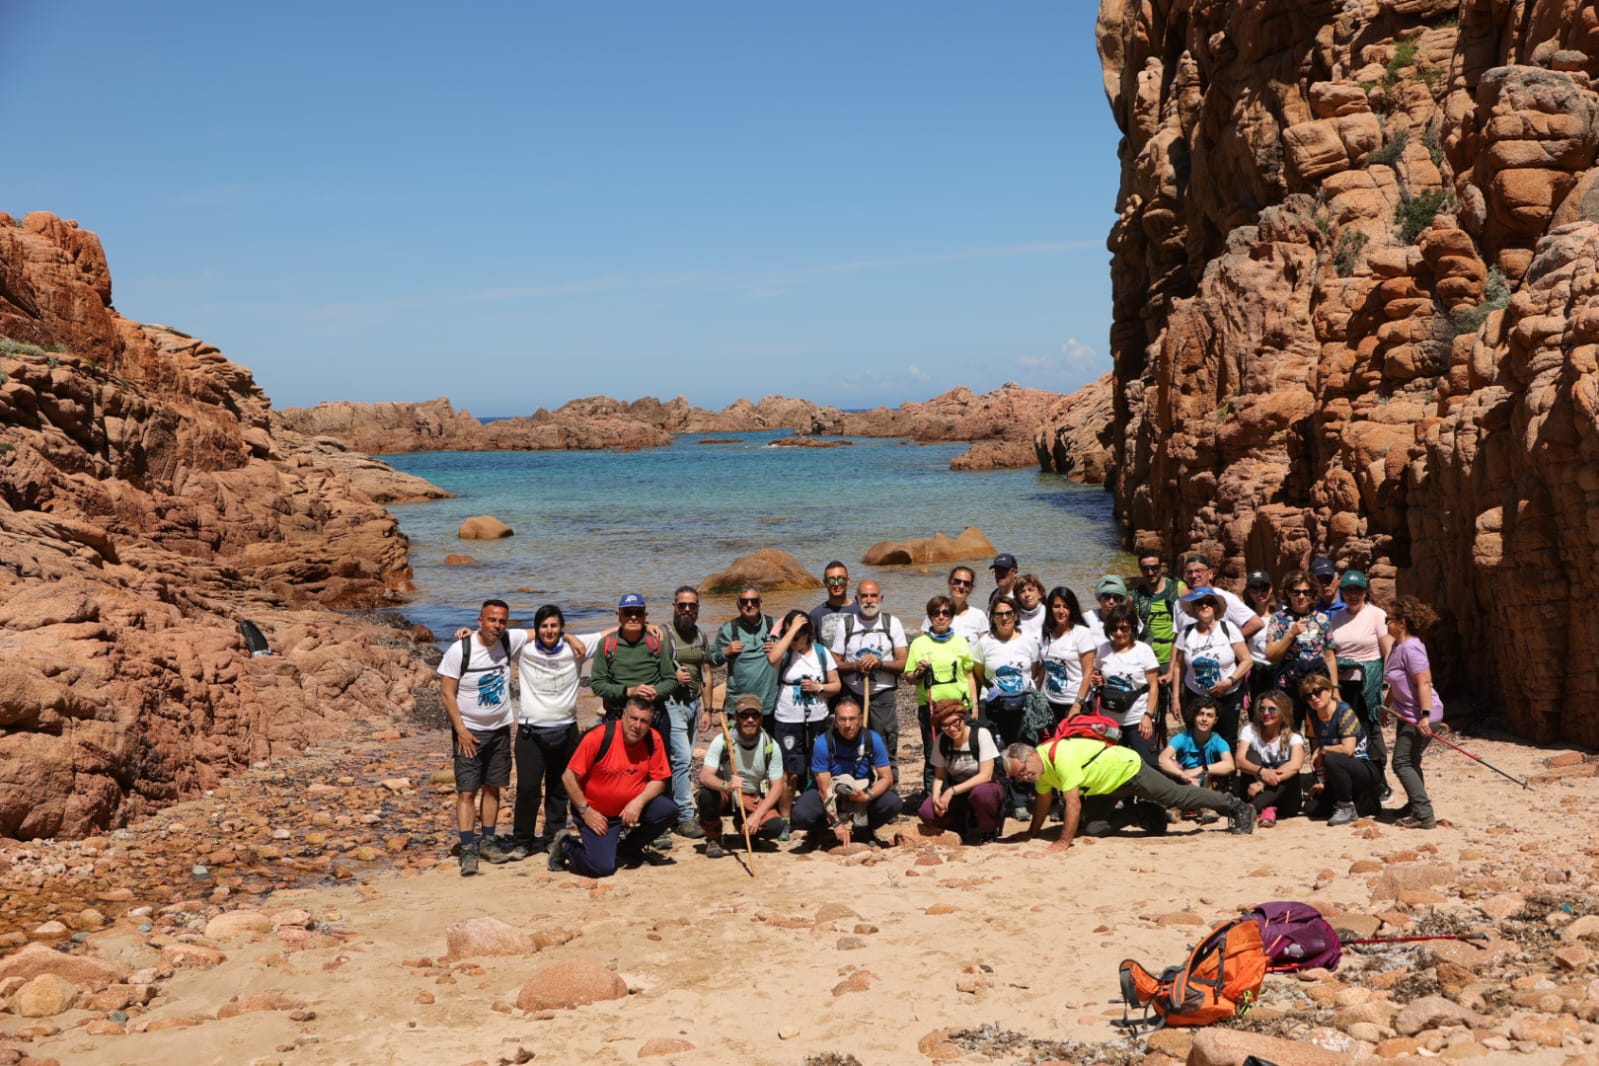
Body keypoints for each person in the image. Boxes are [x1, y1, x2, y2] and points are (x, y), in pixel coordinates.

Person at [1004, 733, 1254, 852]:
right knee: (1093, 828)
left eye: (1024, 770)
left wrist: (1063, 842)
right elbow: (1044, 800)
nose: (1024, 777)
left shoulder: (1059, 756)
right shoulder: (1040, 771)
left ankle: (1235, 805)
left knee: (1177, 796)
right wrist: (1032, 832)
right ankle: (1143, 812)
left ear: (1032, 755)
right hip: (1105, 787)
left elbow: (1073, 804)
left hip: (1128, 769)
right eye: (1019, 776)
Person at [437, 599, 528, 875]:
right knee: (467, 791)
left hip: (500, 730)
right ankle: (467, 846)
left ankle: (488, 841)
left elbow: (546, 630)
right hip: (470, 732)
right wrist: (461, 730)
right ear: (480, 621)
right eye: (492, 620)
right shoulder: (460, 650)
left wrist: (574, 638)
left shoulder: (508, 640)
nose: (497, 625)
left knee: (493, 787)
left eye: (502, 621)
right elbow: (447, 693)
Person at [505, 605, 600, 860]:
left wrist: (648, 627)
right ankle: (522, 841)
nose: (549, 630)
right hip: (530, 733)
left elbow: (609, 634)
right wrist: (467, 633)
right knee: (528, 789)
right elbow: (494, 634)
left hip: (566, 731)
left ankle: (552, 837)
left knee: (559, 789)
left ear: (562, 627)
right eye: (544, 626)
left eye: (555, 626)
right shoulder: (523, 650)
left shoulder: (576, 649)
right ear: (536, 628)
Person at [549, 696, 677, 876]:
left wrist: (638, 802)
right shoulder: (599, 737)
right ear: (623, 716)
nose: (637, 726)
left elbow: (659, 780)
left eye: (644, 721)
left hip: (630, 809)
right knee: (601, 867)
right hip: (596, 813)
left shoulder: (652, 739)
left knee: (668, 810)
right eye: (633, 718)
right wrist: (585, 811)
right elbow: (568, 777)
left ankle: (627, 848)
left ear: (650, 723)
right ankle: (566, 846)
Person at [791, 697, 903, 847]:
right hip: (831, 793)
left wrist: (867, 796)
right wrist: (836, 823)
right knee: (801, 814)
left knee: (892, 803)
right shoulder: (823, 743)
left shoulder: (872, 739)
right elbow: (824, 789)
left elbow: (887, 778)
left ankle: (865, 829)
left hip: (860, 791)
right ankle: (820, 829)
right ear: (835, 721)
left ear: (860, 720)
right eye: (842, 720)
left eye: (852, 719)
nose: (848, 725)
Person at [767, 609, 841, 829]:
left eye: (798, 635)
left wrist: (818, 687)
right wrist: (790, 632)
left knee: (819, 770)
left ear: (808, 633)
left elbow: (836, 685)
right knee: (790, 773)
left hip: (817, 718)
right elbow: (772, 659)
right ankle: (786, 819)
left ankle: (822, 813)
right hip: (788, 720)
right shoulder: (784, 652)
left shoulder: (821, 652)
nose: (794, 640)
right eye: (789, 634)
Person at [829, 579, 908, 772]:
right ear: (857, 599)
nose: (869, 600)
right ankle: (854, 781)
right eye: (864, 596)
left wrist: (879, 664)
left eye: (873, 596)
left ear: (881, 598)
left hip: (883, 695)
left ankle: (888, 785)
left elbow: (903, 663)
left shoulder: (892, 623)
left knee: (885, 745)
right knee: (850, 742)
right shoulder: (846, 624)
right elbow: (835, 662)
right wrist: (857, 666)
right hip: (853, 694)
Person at [974, 595, 1042, 817]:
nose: (1004, 618)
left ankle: (1021, 801)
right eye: (999, 614)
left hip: (1023, 705)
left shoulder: (1028, 640)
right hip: (993, 705)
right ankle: (1002, 799)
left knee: (1023, 750)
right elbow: (979, 674)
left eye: (1009, 613)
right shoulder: (984, 643)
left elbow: (1035, 670)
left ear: (1016, 615)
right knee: (996, 752)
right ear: (992, 617)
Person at [696, 694, 787, 856]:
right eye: (745, 715)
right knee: (706, 796)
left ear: (761, 718)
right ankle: (713, 837)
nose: (750, 720)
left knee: (775, 827)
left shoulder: (771, 746)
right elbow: (705, 776)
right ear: (736, 717)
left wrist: (757, 815)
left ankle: (747, 830)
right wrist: (726, 785)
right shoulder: (722, 740)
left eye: (755, 715)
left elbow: (777, 787)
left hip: (751, 797)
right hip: (726, 793)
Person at [906, 594, 979, 795]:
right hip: (931, 708)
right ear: (929, 616)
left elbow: (969, 674)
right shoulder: (919, 644)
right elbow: (910, 678)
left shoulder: (960, 641)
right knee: (933, 754)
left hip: (959, 707)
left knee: (963, 752)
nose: (941, 616)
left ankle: (961, 795)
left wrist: (975, 704)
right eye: (935, 613)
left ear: (952, 616)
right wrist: (919, 671)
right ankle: (933, 798)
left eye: (946, 612)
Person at [660, 585, 715, 841]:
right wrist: (672, 676)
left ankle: (673, 808)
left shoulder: (700, 636)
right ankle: (683, 816)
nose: (687, 610)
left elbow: (707, 674)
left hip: (693, 704)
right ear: (674, 606)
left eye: (692, 606)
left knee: (685, 759)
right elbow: (651, 668)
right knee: (682, 759)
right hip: (672, 703)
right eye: (682, 605)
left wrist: (708, 709)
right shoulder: (664, 634)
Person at [1384, 596, 1444, 830]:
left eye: (1389, 619)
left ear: (1402, 623)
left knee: (1401, 762)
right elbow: (1396, 680)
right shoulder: (1397, 646)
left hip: (1421, 716)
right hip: (1406, 715)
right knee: (1411, 760)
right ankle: (1414, 805)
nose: (1386, 623)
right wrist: (1387, 706)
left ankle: (1424, 814)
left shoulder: (1411, 647)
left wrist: (1425, 715)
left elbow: (1424, 682)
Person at [1328, 569, 1391, 786]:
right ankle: (1353, 779)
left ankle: (1379, 781)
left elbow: (1388, 651)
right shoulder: (1337, 618)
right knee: (1346, 730)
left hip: (1367, 685)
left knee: (1369, 730)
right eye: (1348, 591)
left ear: (1365, 592)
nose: (1353, 595)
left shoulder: (1377, 615)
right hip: (1343, 685)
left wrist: (1385, 686)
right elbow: (1331, 653)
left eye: (1358, 590)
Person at [1171, 587, 1252, 748]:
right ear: (1193, 607)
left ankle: (1226, 765)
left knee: (1227, 740)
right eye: (1199, 602)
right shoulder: (1186, 633)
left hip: (1228, 695)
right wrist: (1176, 699)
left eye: (1209, 602)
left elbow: (1247, 660)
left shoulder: (1228, 629)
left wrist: (1229, 681)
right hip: (1195, 695)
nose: (1204, 606)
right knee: (1196, 739)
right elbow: (1178, 667)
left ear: (1215, 606)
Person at [1301, 674, 1382, 827]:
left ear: (1330, 690)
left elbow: (1347, 750)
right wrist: (1321, 782)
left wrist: (1323, 750)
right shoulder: (1312, 715)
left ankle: (1347, 805)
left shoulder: (1344, 711)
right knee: (1312, 809)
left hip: (1364, 766)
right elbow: (1317, 754)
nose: (1313, 698)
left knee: (1332, 758)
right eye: (1308, 696)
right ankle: (1355, 803)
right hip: (1338, 769)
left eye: (1317, 691)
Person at [919, 700, 1005, 842]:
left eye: (955, 722)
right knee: (927, 812)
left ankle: (988, 831)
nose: (952, 729)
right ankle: (958, 827)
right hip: (958, 792)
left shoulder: (981, 735)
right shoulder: (941, 741)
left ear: (963, 718)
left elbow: (986, 775)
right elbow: (939, 776)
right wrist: (936, 797)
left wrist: (951, 791)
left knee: (982, 794)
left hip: (984, 787)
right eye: (945, 725)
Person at [1091, 603, 1162, 765]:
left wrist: (1148, 716)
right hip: (1110, 720)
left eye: (1124, 628)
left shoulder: (1144, 651)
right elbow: (1097, 675)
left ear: (1132, 628)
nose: (1118, 633)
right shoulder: (1102, 650)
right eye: (1114, 628)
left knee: (1149, 763)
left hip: (1137, 719)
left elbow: (1153, 686)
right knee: (1114, 765)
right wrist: (1096, 680)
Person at [588, 593, 678, 720]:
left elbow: (671, 681)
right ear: (618, 615)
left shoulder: (656, 643)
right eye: (627, 613)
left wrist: (655, 692)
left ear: (645, 616)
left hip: (653, 714)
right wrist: (628, 691)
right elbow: (597, 685)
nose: (633, 617)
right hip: (619, 715)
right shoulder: (606, 644)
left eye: (638, 613)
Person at [1265, 569, 1337, 724]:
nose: (1301, 596)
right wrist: (1291, 634)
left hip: (1317, 686)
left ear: (1313, 593)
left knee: (1318, 730)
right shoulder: (1278, 619)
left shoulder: (1323, 619)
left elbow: (1330, 657)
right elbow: (1271, 655)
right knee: (1289, 729)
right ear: (1288, 593)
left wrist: (1335, 688)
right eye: (1296, 592)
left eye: (1306, 592)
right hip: (1288, 685)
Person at [1234, 689, 1304, 827]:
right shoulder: (1250, 730)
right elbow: (1239, 760)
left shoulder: (1294, 737)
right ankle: (1267, 808)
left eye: (1272, 709)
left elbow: (1296, 765)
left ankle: (1252, 809)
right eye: (1262, 709)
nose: (1266, 713)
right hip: (1253, 792)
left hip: (1285, 801)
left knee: (1288, 766)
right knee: (1250, 755)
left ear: (1283, 712)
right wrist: (1262, 771)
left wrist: (1263, 783)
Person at [711, 585, 779, 724]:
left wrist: (779, 650)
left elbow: (793, 655)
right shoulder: (728, 629)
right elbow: (711, 660)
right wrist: (725, 652)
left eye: (754, 601)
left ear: (761, 603)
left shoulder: (775, 625)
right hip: (739, 706)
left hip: (770, 705)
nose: (749, 605)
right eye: (744, 601)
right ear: (738, 605)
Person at [1132, 550, 1181, 734]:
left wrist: (1174, 667)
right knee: (1150, 710)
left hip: (1173, 657)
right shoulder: (1136, 595)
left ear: (1162, 567)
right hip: (1148, 660)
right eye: (1146, 569)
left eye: (1154, 568)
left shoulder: (1177, 588)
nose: (1150, 572)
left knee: (1180, 708)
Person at [1158, 696, 1236, 803]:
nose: (1204, 719)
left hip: (1209, 785)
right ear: (1194, 716)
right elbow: (1162, 759)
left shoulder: (1218, 741)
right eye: (1200, 714)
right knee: (1171, 764)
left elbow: (1230, 765)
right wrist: (1183, 775)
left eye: (1209, 715)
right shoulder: (1183, 738)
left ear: (1215, 720)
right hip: (1184, 783)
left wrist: (1202, 769)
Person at [1039, 586, 1096, 723]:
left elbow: (1088, 672)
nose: (1061, 611)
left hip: (1074, 703)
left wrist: (1078, 704)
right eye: (1056, 606)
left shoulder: (1082, 633)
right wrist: (1037, 694)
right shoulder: (1047, 632)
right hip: (1050, 702)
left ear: (1072, 609)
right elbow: (1044, 668)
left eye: (1066, 606)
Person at [1175, 553, 1263, 641]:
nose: (1193, 575)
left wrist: (1228, 643)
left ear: (1210, 574)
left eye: (1199, 571)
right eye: (1189, 572)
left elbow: (1256, 623)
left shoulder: (1224, 597)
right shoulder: (1180, 603)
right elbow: (1178, 636)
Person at [925, 565, 989, 646]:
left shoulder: (978, 616)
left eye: (967, 583)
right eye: (957, 581)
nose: (961, 586)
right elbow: (923, 643)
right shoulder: (936, 613)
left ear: (971, 588)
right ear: (949, 582)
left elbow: (986, 647)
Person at [1243, 571, 1277, 704]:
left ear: (1271, 589)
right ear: (1248, 591)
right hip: (1255, 673)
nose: (1259, 593)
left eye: (1264, 588)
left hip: (1278, 670)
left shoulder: (1281, 613)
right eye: (1254, 588)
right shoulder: (1243, 617)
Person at [809, 561, 855, 647]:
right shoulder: (815, 615)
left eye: (841, 579)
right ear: (825, 583)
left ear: (848, 581)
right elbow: (812, 650)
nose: (836, 584)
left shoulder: (860, 611)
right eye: (831, 580)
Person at [1083, 575, 1127, 645]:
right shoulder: (1087, 618)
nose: (1111, 602)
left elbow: (1143, 636)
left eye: (1116, 598)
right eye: (1107, 597)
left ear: (1121, 601)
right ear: (1099, 599)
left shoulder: (1128, 618)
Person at [1013, 573, 1048, 642]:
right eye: (1022, 591)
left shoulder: (1049, 614)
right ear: (1018, 598)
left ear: (1040, 593)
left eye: (1030, 590)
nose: (1027, 594)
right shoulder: (1014, 617)